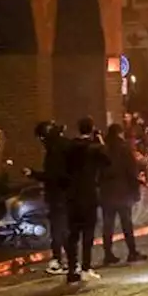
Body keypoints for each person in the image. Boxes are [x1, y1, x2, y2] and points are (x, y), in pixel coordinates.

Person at [62, 118, 109, 283]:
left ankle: (71, 269)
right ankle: (85, 267)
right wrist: (101, 140)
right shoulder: (94, 148)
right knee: (88, 234)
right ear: (92, 129)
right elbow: (107, 161)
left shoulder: (69, 148)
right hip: (88, 195)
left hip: (72, 196)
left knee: (73, 234)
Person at [26, 121, 70, 275]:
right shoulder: (64, 146)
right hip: (66, 194)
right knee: (63, 228)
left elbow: (53, 175)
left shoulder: (54, 150)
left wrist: (34, 174)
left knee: (58, 229)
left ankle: (59, 260)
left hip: (58, 195)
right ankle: (70, 261)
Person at [101, 124, 148, 265]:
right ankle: (132, 252)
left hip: (106, 192)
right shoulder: (124, 149)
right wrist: (137, 188)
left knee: (107, 224)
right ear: (120, 133)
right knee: (126, 223)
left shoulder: (103, 149)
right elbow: (131, 171)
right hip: (123, 191)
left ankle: (108, 254)